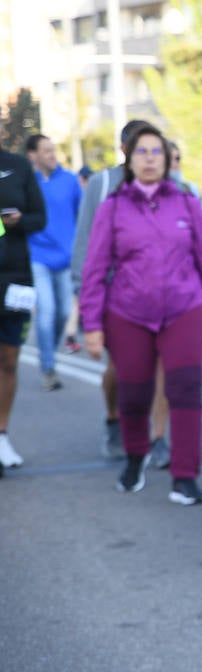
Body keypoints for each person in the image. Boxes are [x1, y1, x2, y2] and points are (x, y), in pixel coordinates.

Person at [79, 124, 202, 502]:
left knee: (186, 388)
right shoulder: (113, 206)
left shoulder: (186, 200)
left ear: (167, 158)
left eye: (156, 152)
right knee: (134, 392)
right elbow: (95, 268)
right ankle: (135, 455)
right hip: (128, 313)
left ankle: (186, 475)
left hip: (185, 307)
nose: (149, 159)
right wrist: (91, 324)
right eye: (142, 152)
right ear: (129, 158)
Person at [73, 119, 152, 461]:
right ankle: (113, 420)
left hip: (156, 294)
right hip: (112, 294)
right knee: (120, 368)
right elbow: (85, 241)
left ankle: (154, 434)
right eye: (138, 147)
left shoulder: (164, 185)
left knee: (154, 367)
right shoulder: (103, 183)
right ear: (123, 150)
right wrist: (83, 291)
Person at [0, 145, 47, 470]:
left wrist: (17, 221)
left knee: (9, 360)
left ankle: (1, 435)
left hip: (15, 277)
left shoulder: (18, 165)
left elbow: (40, 218)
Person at [25, 134, 82, 392]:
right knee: (46, 311)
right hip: (37, 256)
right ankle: (48, 367)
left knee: (63, 313)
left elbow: (83, 218)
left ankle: (50, 353)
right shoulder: (27, 183)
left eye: (53, 150)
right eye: (45, 151)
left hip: (65, 257)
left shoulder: (70, 181)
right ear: (32, 155)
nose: (51, 155)